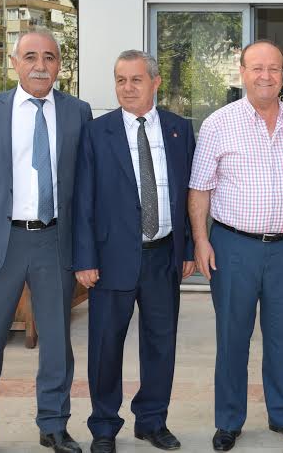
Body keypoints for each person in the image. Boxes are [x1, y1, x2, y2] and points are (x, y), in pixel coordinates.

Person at [0, 28, 92, 453]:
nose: (40, 66)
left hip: (55, 243)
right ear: (14, 63)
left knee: (57, 346)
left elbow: (87, 189)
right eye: (30, 57)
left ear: (59, 65)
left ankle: (54, 426)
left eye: (49, 57)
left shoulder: (78, 112)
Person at [188, 40, 283, 452]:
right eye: (257, 68)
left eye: (273, 68)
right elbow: (200, 188)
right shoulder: (218, 124)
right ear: (243, 73)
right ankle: (228, 421)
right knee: (232, 337)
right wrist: (200, 240)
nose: (265, 76)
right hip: (234, 248)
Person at [72, 50, 195, 453]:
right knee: (106, 345)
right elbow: (83, 199)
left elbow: (189, 194)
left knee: (161, 343)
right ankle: (104, 426)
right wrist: (85, 259)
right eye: (120, 80)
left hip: (163, 256)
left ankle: (152, 421)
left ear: (155, 83)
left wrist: (188, 248)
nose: (127, 88)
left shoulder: (179, 129)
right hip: (110, 259)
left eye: (136, 80)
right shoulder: (97, 132)